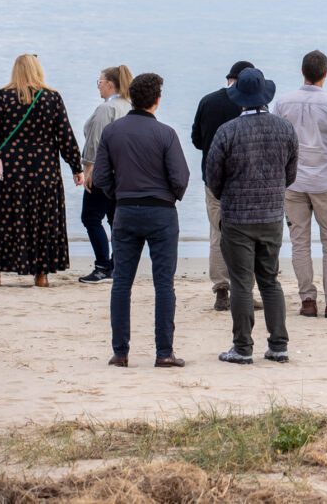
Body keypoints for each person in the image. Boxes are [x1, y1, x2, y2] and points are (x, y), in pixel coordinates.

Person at [90, 72, 189, 368]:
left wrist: (120, 194)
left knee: (121, 282)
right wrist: (167, 195)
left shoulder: (113, 132)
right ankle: (164, 352)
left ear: (132, 98)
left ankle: (120, 352)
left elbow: (102, 178)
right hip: (161, 212)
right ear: (157, 100)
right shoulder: (166, 134)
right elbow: (180, 179)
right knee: (163, 284)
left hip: (127, 210)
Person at [205, 67, 297, 365]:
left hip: (238, 217)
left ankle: (243, 347)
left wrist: (229, 195)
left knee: (241, 282)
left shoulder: (228, 131)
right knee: (269, 280)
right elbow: (290, 174)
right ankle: (279, 344)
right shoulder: (284, 129)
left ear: (239, 98)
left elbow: (213, 178)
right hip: (271, 215)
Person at [0, 54, 83, 288]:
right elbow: (65, 135)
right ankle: (41, 275)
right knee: (44, 219)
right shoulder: (52, 98)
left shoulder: (4, 97)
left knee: (6, 220)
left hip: (11, 171)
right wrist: (76, 166)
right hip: (44, 170)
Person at [272, 50, 327, 318]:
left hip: (293, 182)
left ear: (303, 72)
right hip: (324, 182)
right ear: (325, 74)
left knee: (299, 242)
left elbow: (277, 142)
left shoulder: (283, 103)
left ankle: (307, 299)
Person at [191, 60, 254, 311]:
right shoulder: (252, 104)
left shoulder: (208, 101)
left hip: (213, 178)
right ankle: (245, 290)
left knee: (218, 232)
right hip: (244, 180)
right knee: (248, 235)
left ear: (229, 78)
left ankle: (221, 289)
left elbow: (196, 139)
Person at [78, 65, 133, 284]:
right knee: (115, 219)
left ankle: (103, 266)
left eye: (99, 82)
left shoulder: (106, 109)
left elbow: (95, 140)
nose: (98, 86)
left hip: (103, 170)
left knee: (91, 217)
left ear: (110, 84)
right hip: (123, 172)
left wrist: (88, 168)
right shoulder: (129, 106)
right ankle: (118, 263)